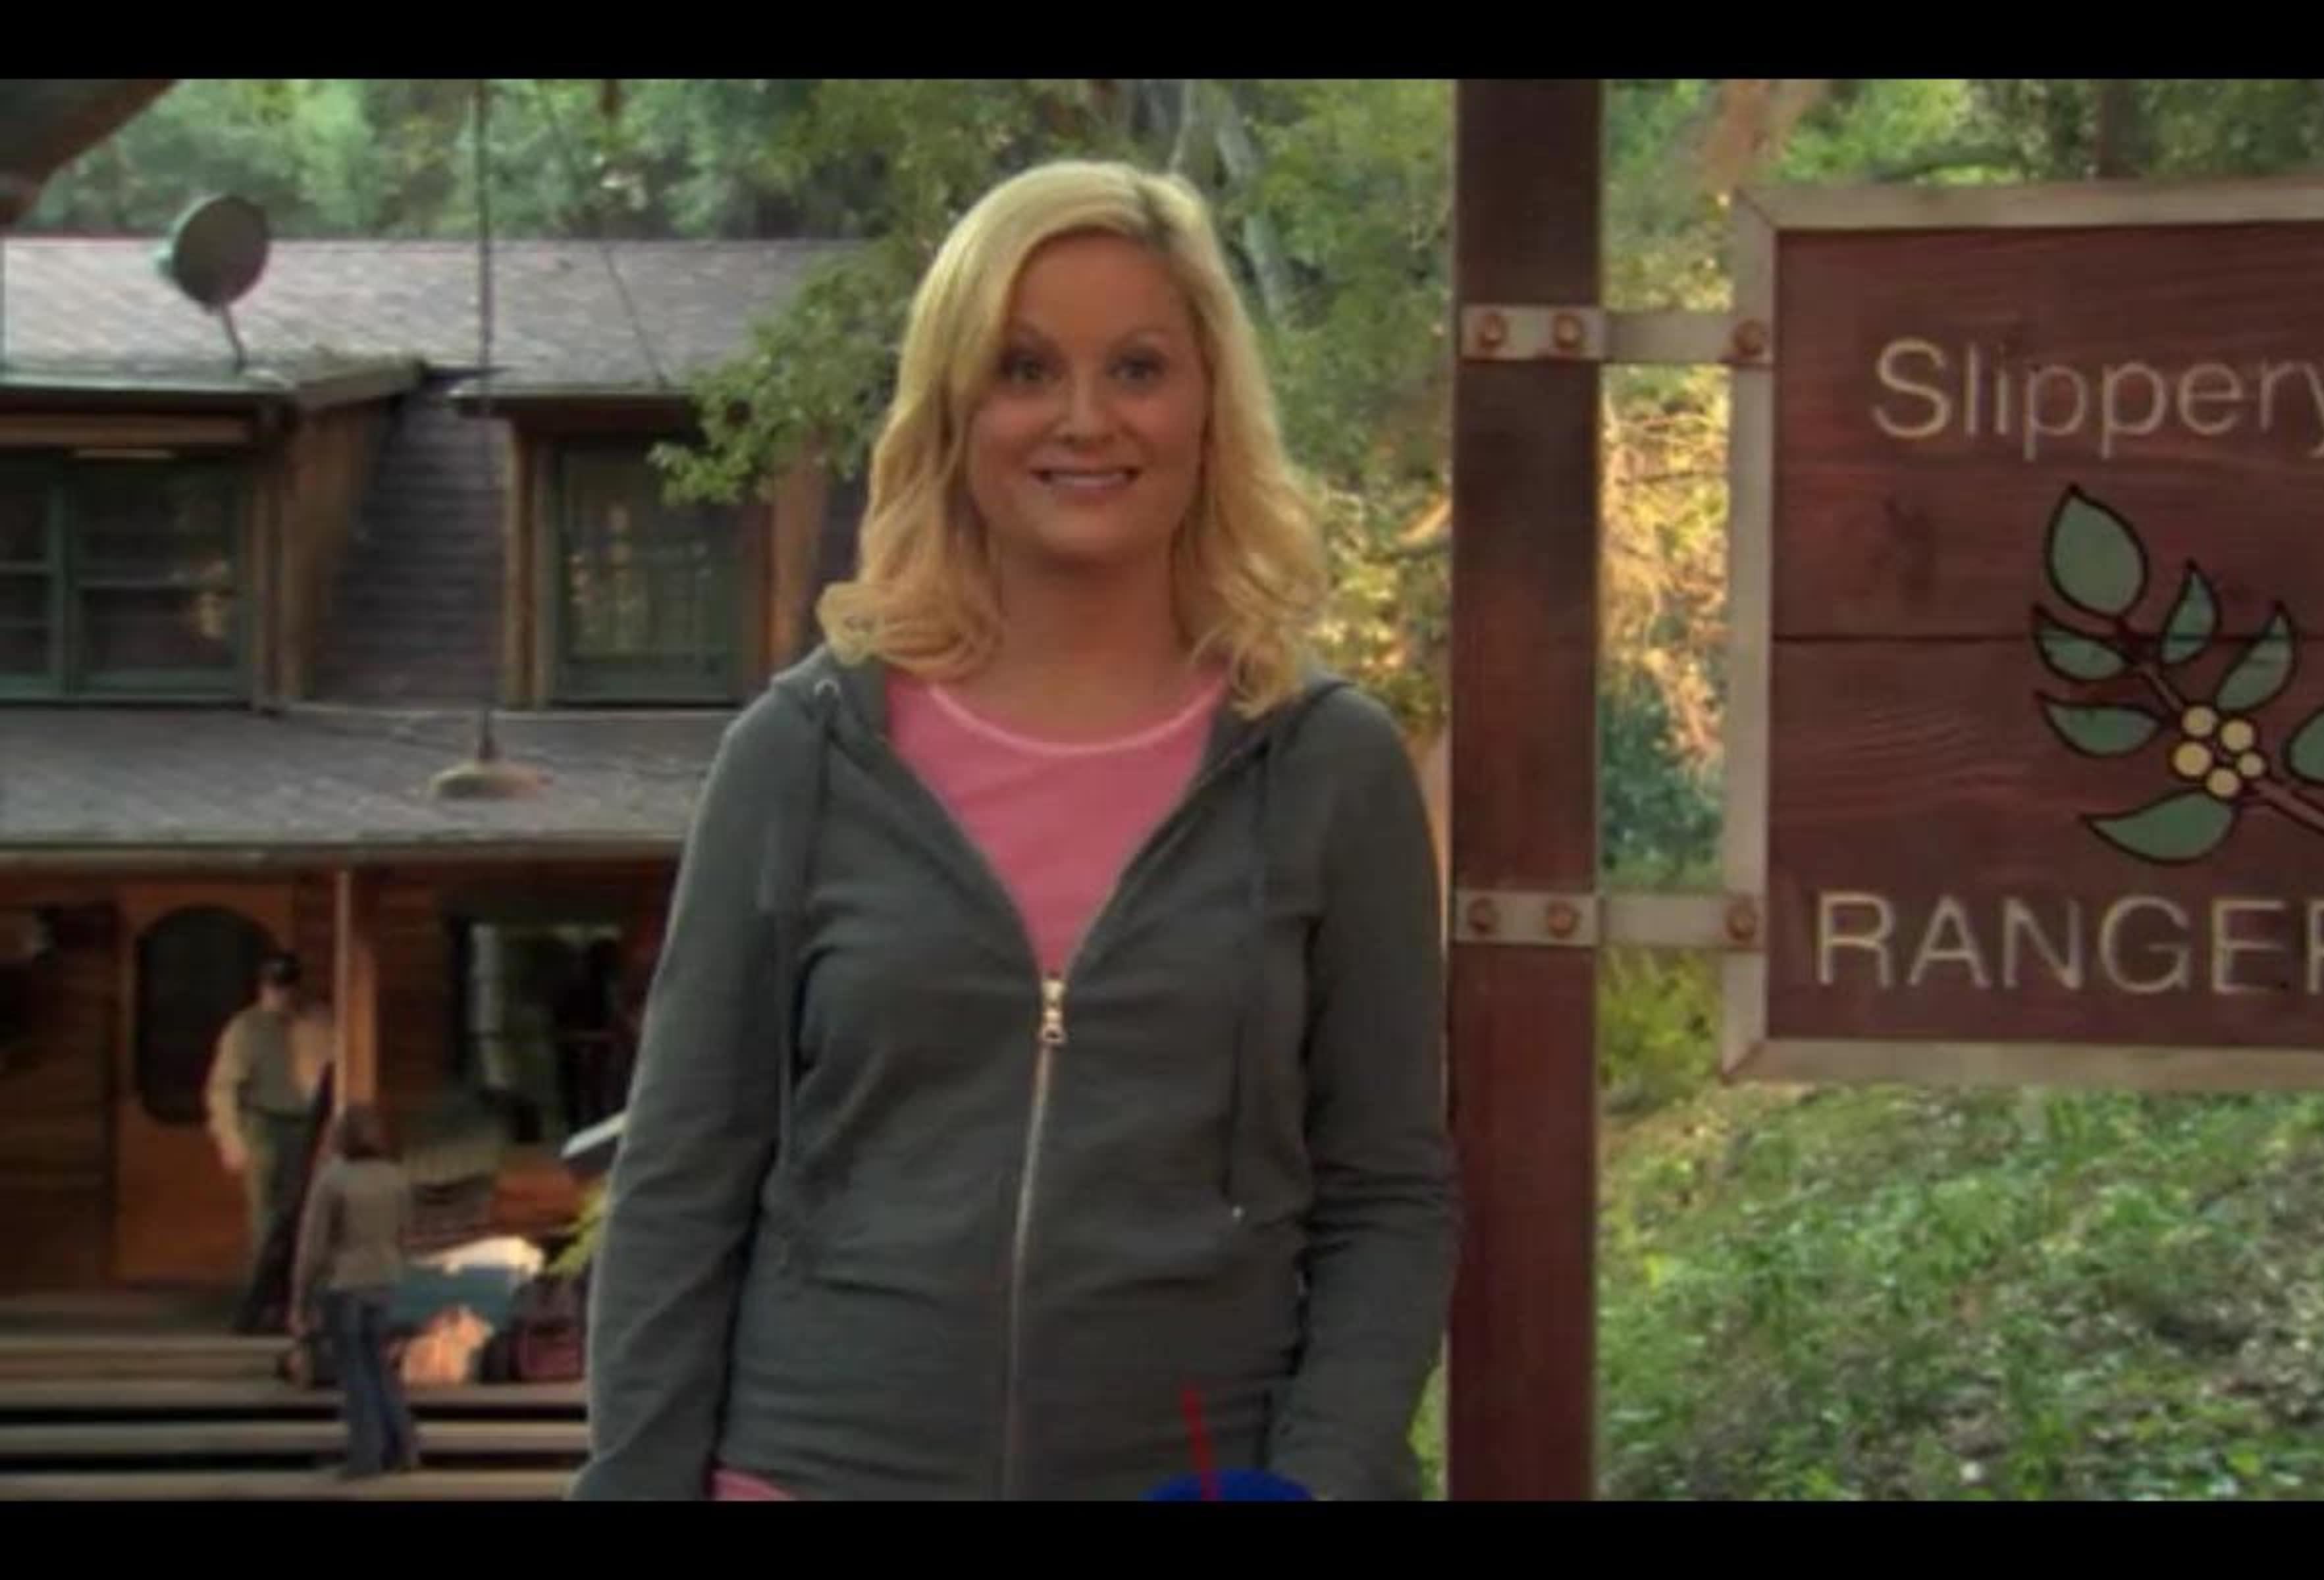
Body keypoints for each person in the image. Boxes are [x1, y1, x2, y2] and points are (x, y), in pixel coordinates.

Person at [575, 159, 1457, 1502]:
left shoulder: (1329, 768)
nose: (1086, 421)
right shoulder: (802, 761)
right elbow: (681, 1188)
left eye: (1140, 369)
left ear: (1211, 402)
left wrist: (1318, 1485)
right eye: (1026, 369)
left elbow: (1388, 1194)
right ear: (954, 406)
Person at [290, 1103, 421, 1480]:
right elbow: (405, 1234)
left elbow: (312, 1246)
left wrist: (300, 1298)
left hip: (344, 1285)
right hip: (385, 1281)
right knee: (380, 1365)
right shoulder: (396, 1177)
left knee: (355, 1374)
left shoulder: (333, 1180)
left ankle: (366, 1455)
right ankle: (404, 1445)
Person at [203, 953, 336, 1271]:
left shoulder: (320, 1022)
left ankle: (301, 1289)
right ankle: (264, 1289)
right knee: (267, 1214)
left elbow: (341, 1069)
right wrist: (230, 1139)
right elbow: (223, 1088)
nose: (281, 995)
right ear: (263, 988)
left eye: (287, 987)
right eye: (275, 987)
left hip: (310, 1123)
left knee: (310, 1209)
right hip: (264, 1124)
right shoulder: (245, 1029)